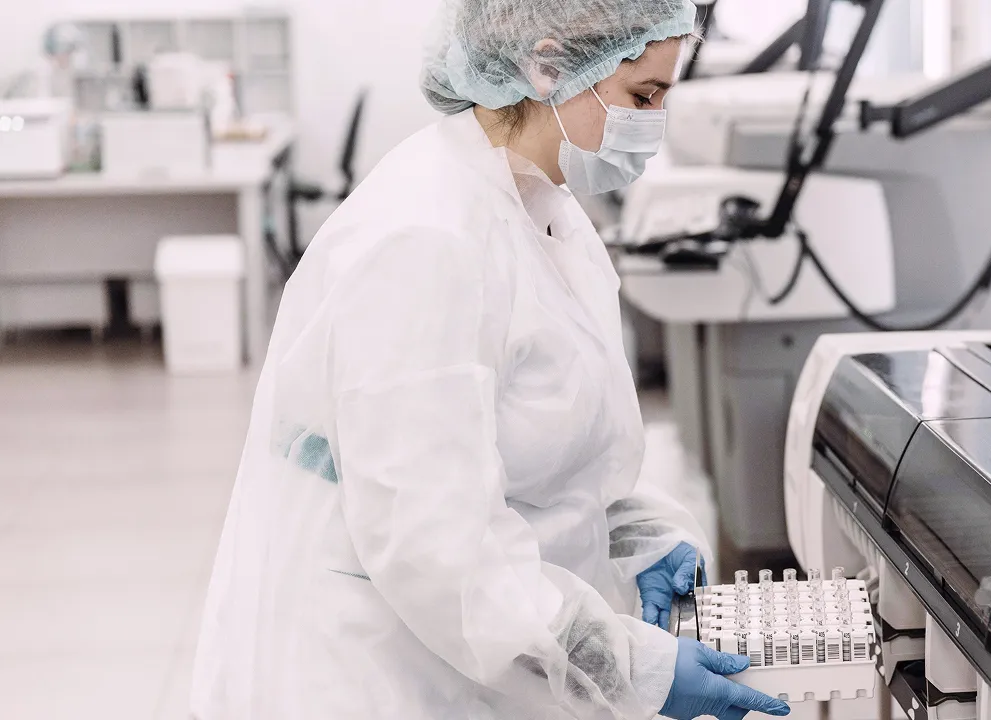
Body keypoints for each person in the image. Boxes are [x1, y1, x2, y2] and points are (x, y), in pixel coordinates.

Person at [189, 1, 792, 719]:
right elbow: (436, 547)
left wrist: (638, 535)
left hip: (475, 659)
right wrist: (629, 669)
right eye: (643, 96)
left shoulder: (545, 210)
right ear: (546, 66)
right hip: (381, 674)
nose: (653, 125)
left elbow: (548, 452)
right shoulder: (427, 239)